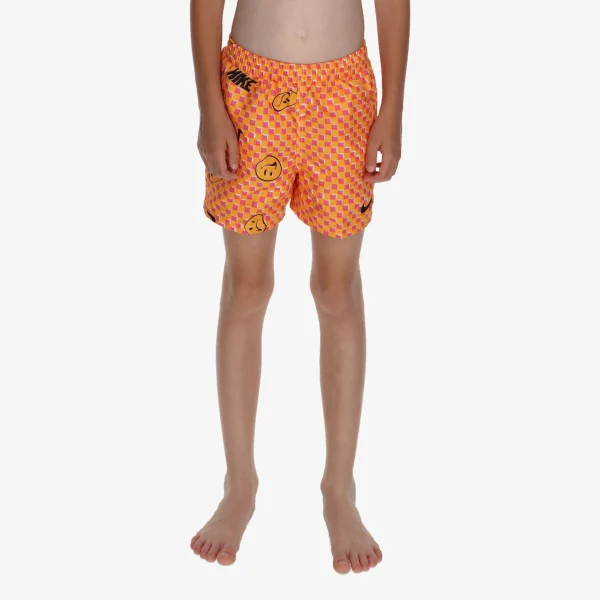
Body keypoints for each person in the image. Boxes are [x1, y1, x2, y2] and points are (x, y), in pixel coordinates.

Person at [189, 0, 409, 574]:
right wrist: (210, 106)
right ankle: (240, 484)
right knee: (247, 287)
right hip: (251, 89)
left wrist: (392, 108)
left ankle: (340, 488)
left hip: (343, 96)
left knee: (337, 290)